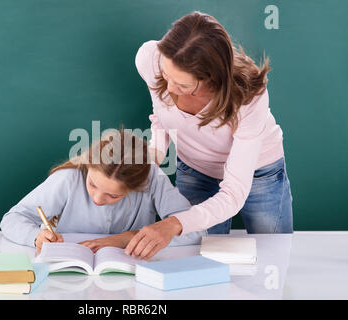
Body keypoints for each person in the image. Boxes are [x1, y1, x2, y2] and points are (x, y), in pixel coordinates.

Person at [125, 11, 293, 259]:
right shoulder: (150, 59)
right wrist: (155, 156)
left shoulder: (248, 97)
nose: (170, 90)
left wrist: (172, 224)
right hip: (195, 170)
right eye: (166, 76)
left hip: (260, 174)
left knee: (272, 258)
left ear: (212, 79)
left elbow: (233, 194)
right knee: (198, 259)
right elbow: (161, 118)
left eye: (183, 86)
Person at [0, 129, 205, 254]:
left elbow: (196, 231)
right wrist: (35, 236)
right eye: (92, 184)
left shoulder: (153, 177)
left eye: (113, 195)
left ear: (139, 185)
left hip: (136, 276)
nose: (97, 199)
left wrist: (127, 238)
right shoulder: (69, 178)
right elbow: (13, 218)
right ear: (88, 165)